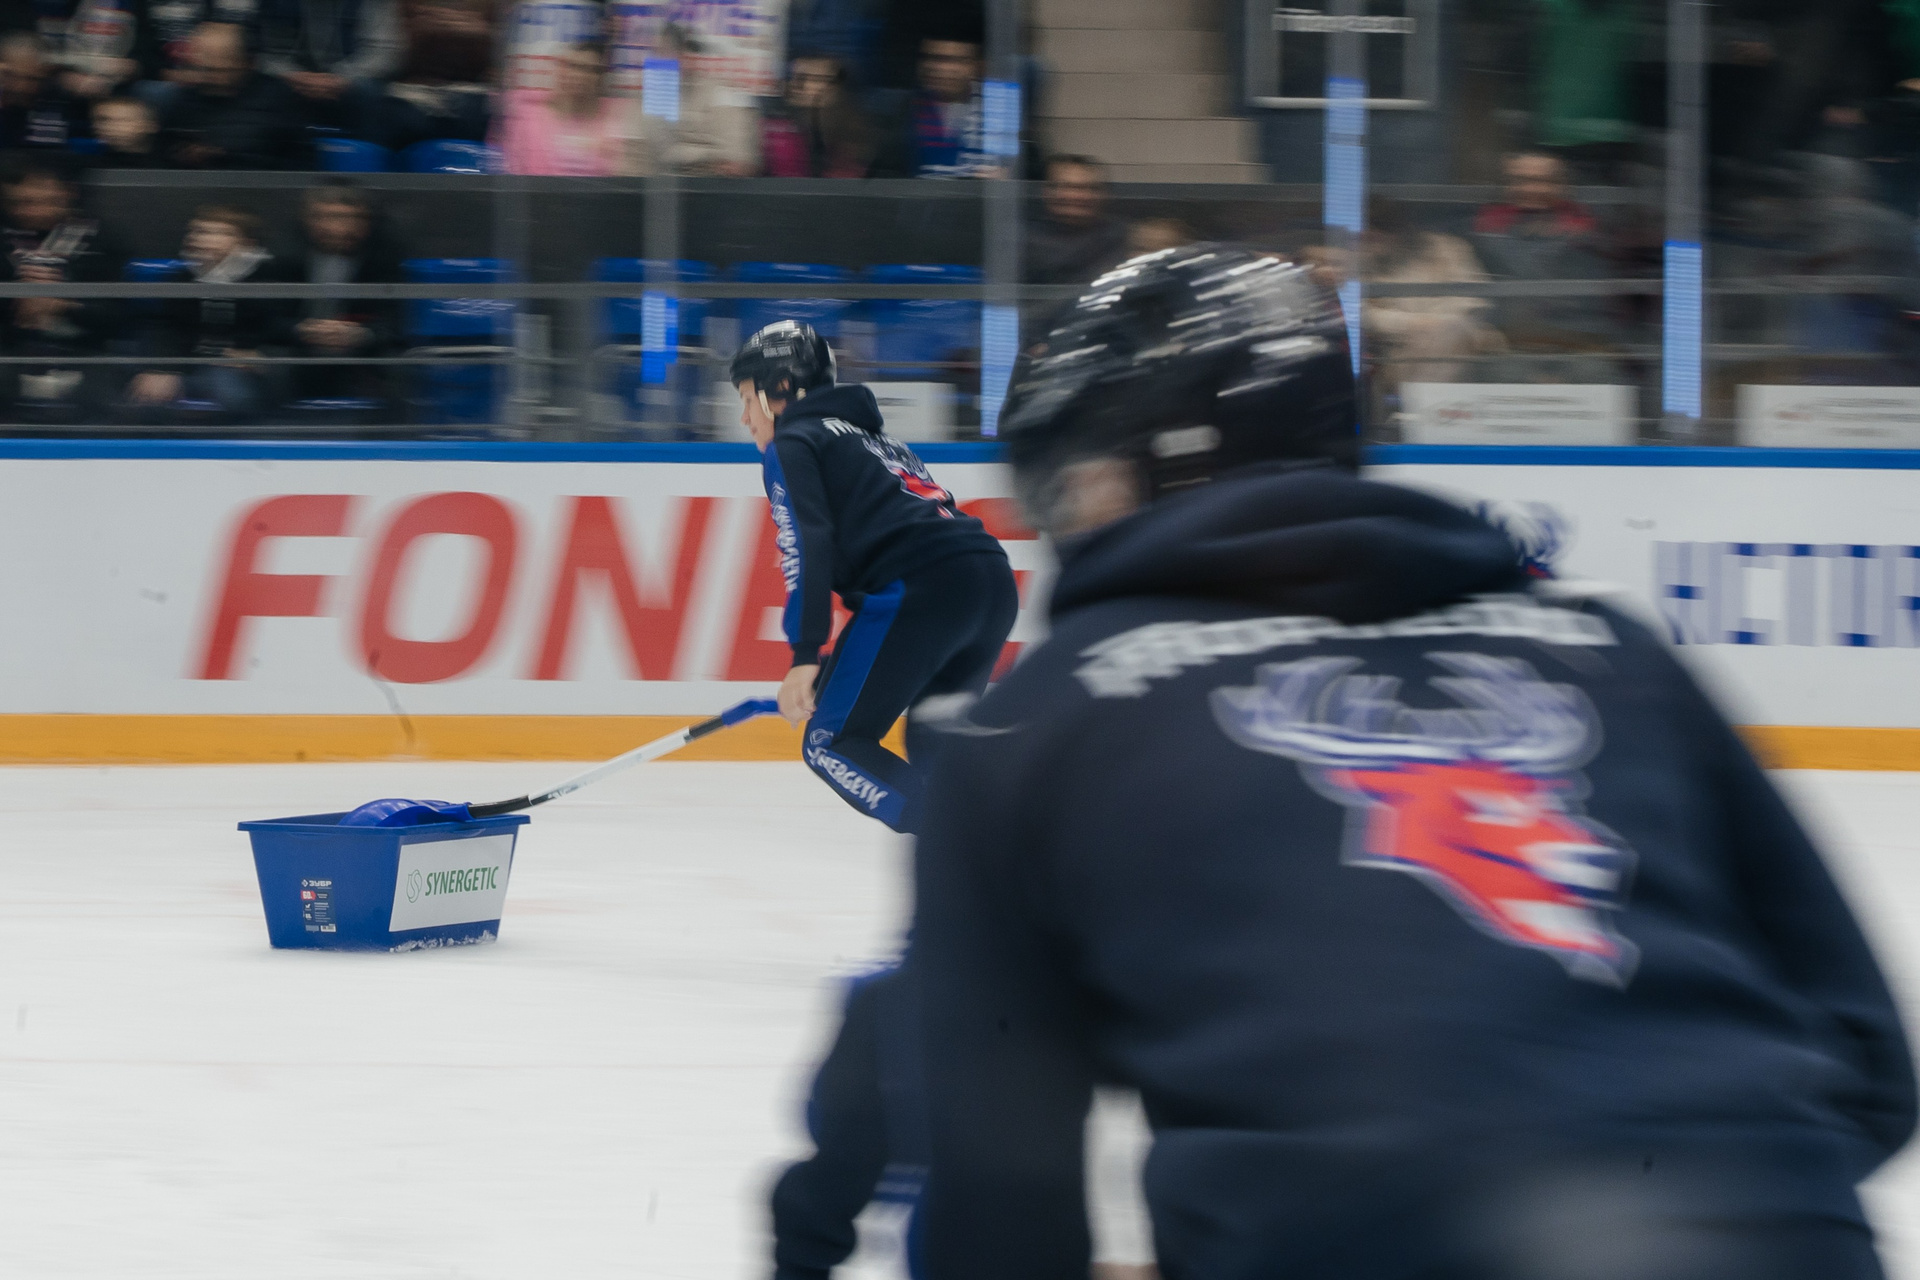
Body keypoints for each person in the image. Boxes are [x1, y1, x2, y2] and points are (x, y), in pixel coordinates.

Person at [909, 244, 1916, 1279]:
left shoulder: (1035, 723)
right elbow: (1869, 1056)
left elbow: (1001, 1198)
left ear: (1134, 476)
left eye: (1068, 493)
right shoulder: (1614, 647)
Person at [728, 319, 1015, 834]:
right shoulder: (878, 440)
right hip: (988, 582)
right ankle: (1023, 841)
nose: (744, 417)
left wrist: (804, 655)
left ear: (781, 389)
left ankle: (968, 850)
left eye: (748, 399)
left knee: (831, 743)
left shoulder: (793, 443)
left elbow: (805, 545)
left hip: (919, 587)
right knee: (937, 744)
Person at [125, 203, 294, 421]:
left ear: (246, 243)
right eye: (197, 231)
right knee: (141, 385)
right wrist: (162, 368)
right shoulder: (182, 277)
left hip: (244, 370)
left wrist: (256, 355)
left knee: (229, 390)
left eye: (215, 232)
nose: (200, 238)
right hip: (190, 363)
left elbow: (278, 329)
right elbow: (166, 328)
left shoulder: (269, 277)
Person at [0, 157, 122, 421]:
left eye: (43, 201)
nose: (31, 211)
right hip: (12, 349)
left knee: (103, 396)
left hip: (86, 350)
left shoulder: (103, 241)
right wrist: (16, 298)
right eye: (22, 203)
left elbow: (118, 318)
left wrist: (62, 305)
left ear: (67, 194)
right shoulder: (4, 239)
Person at [284, 179, 404, 405]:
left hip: (363, 355)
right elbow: (266, 319)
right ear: (308, 220)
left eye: (350, 218)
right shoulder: (285, 256)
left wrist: (361, 334)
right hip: (297, 352)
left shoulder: (386, 260)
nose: (338, 229)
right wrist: (302, 329)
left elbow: (397, 321)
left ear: (366, 223)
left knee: (397, 371)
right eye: (327, 217)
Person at [154, 21, 306, 168]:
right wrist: (186, 156)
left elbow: (298, 159)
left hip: (263, 180)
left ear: (247, 62)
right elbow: (166, 156)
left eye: (223, 70)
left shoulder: (278, 97)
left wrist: (227, 157)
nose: (215, 78)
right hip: (201, 182)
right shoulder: (185, 100)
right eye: (208, 70)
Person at [493, 37, 638, 177]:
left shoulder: (617, 118)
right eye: (572, 66)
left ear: (601, 77)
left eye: (589, 69)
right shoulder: (528, 116)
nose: (578, 75)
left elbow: (627, 172)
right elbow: (513, 170)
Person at [366, 0, 492, 153]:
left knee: (476, 109)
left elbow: (482, 39)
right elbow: (400, 49)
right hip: (411, 91)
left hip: (468, 91)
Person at [257, 0, 400, 132]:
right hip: (289, 82)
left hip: (352, 84)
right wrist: (292, 75)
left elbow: (382, 53)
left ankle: (365, 149)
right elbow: (262, 54)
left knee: (370, 91)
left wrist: (340, 79)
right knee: (265, 89)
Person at [874, 34, 995, 179]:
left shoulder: (996, 107)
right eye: (932, 58)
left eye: (954, 60)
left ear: (977, 65)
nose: (941, 68)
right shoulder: (904, 109)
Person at [761, 50, 873, 178]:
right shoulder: (778, 125)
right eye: (794, 77)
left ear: (835, 87)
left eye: (810, 78)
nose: (797, 85)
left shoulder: (854, 131)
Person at [1024, 154, 1130, 286]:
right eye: (1066, 186)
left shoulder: (1125, 237)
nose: (1077, 196)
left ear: (1104, 194)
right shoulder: (1019, 239)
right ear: (1046, 192)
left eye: (1089, 188)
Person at [0, 32, 90, 151]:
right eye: (11, 76)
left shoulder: (63, 101)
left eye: (32, 79)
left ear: (47, 73)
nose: (21, 87)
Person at [88, 93, 161, 164]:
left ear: (150, 126)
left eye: (122, 120)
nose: (109, 126)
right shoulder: (88, 162)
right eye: (103, 120)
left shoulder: (164, 164)